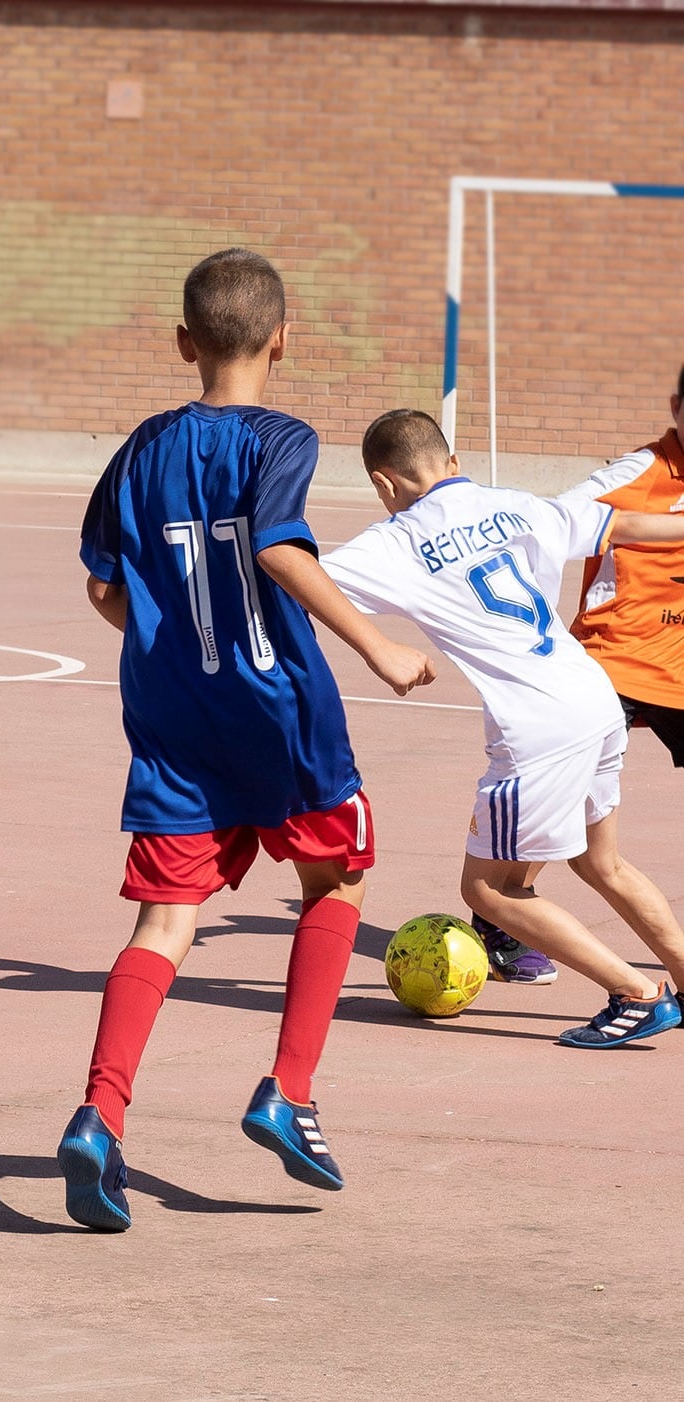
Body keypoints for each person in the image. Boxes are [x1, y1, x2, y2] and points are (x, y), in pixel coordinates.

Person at [57, 248, 434, 1233]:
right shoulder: (281, 438)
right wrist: (378, 644)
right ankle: (288, 1091)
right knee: (337, 880)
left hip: (172, 720)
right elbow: (274, 543)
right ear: (281, 337)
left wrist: (168, 646)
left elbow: (102, 585)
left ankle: (99, 1114)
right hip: (280, 713)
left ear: (184, 343)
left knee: (162, 924)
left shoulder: (140, 446)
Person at [321, 409, 684, 1051]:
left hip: (538, 726)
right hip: (594, 696)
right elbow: (625, 524)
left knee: (489, 890)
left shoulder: (396, 539)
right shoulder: (519, 505)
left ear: (384, 484)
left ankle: (636, 993)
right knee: (600, 861)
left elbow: (301, 578)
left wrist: (377, 646)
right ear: (453, 462)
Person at [473, 369, 684, 986]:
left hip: (679, 668)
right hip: (612, 662)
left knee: (596, 853)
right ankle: (504, 918)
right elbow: (553, 521)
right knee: (568, 828)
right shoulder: (638, 472)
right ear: (676, 407)